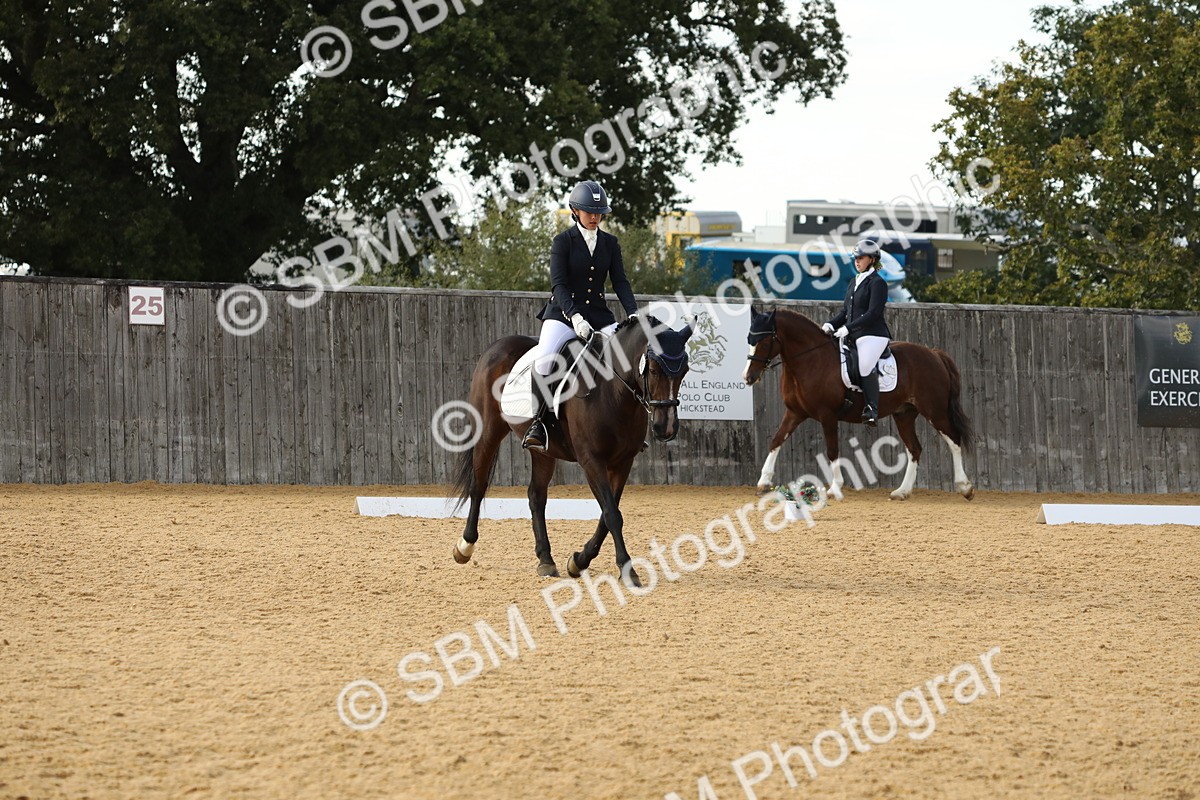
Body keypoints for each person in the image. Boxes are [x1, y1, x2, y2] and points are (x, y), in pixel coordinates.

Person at [522, 179, 639, 451]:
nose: (595, 217)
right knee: (544, 360)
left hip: (599, 316)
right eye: (589, 212)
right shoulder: (562, 242)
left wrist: (633, 312)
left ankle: (625, 426)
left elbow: (620, 282)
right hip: (562, 316)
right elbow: (558, 285)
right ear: (575, 211)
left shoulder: (610, 243)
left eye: (599, 213)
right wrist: (574, 317)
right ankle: (538, 423)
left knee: (624, 357)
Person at [823, 238, 893, 426]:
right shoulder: (854, 282)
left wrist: (848, 328)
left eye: (861, 258)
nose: (857, 261)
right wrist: (830, 325)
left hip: (873, 334)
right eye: (855, 258)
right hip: (854, 334)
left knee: (864, 365)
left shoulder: (878, 283)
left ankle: (872, 409)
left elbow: (873, 313)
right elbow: (846, 312)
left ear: (872, 259)